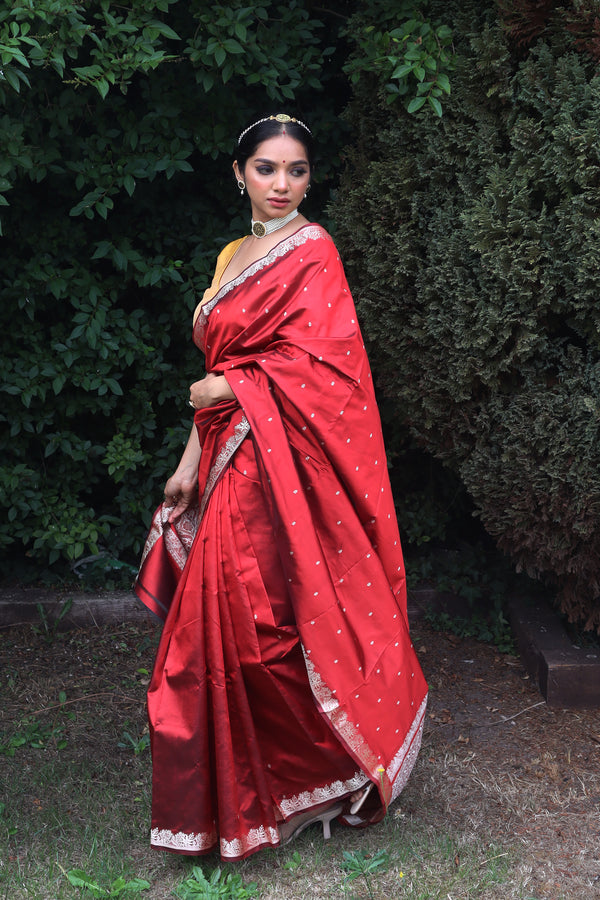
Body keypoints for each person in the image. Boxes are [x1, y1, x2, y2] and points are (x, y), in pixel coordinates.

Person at [134, 112, 428, 861]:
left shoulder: (315, 250)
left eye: (296, 170)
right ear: (240, 173)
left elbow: (327, 371)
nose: (281, 184)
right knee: (215, 634)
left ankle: (318, 779)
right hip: (227, 457)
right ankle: (260, 789)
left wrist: (226, 388)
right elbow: (221, 381)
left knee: (262, 629)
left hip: (278, 467)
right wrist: (186, 465)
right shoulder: (235, 253)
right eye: (266, 168)